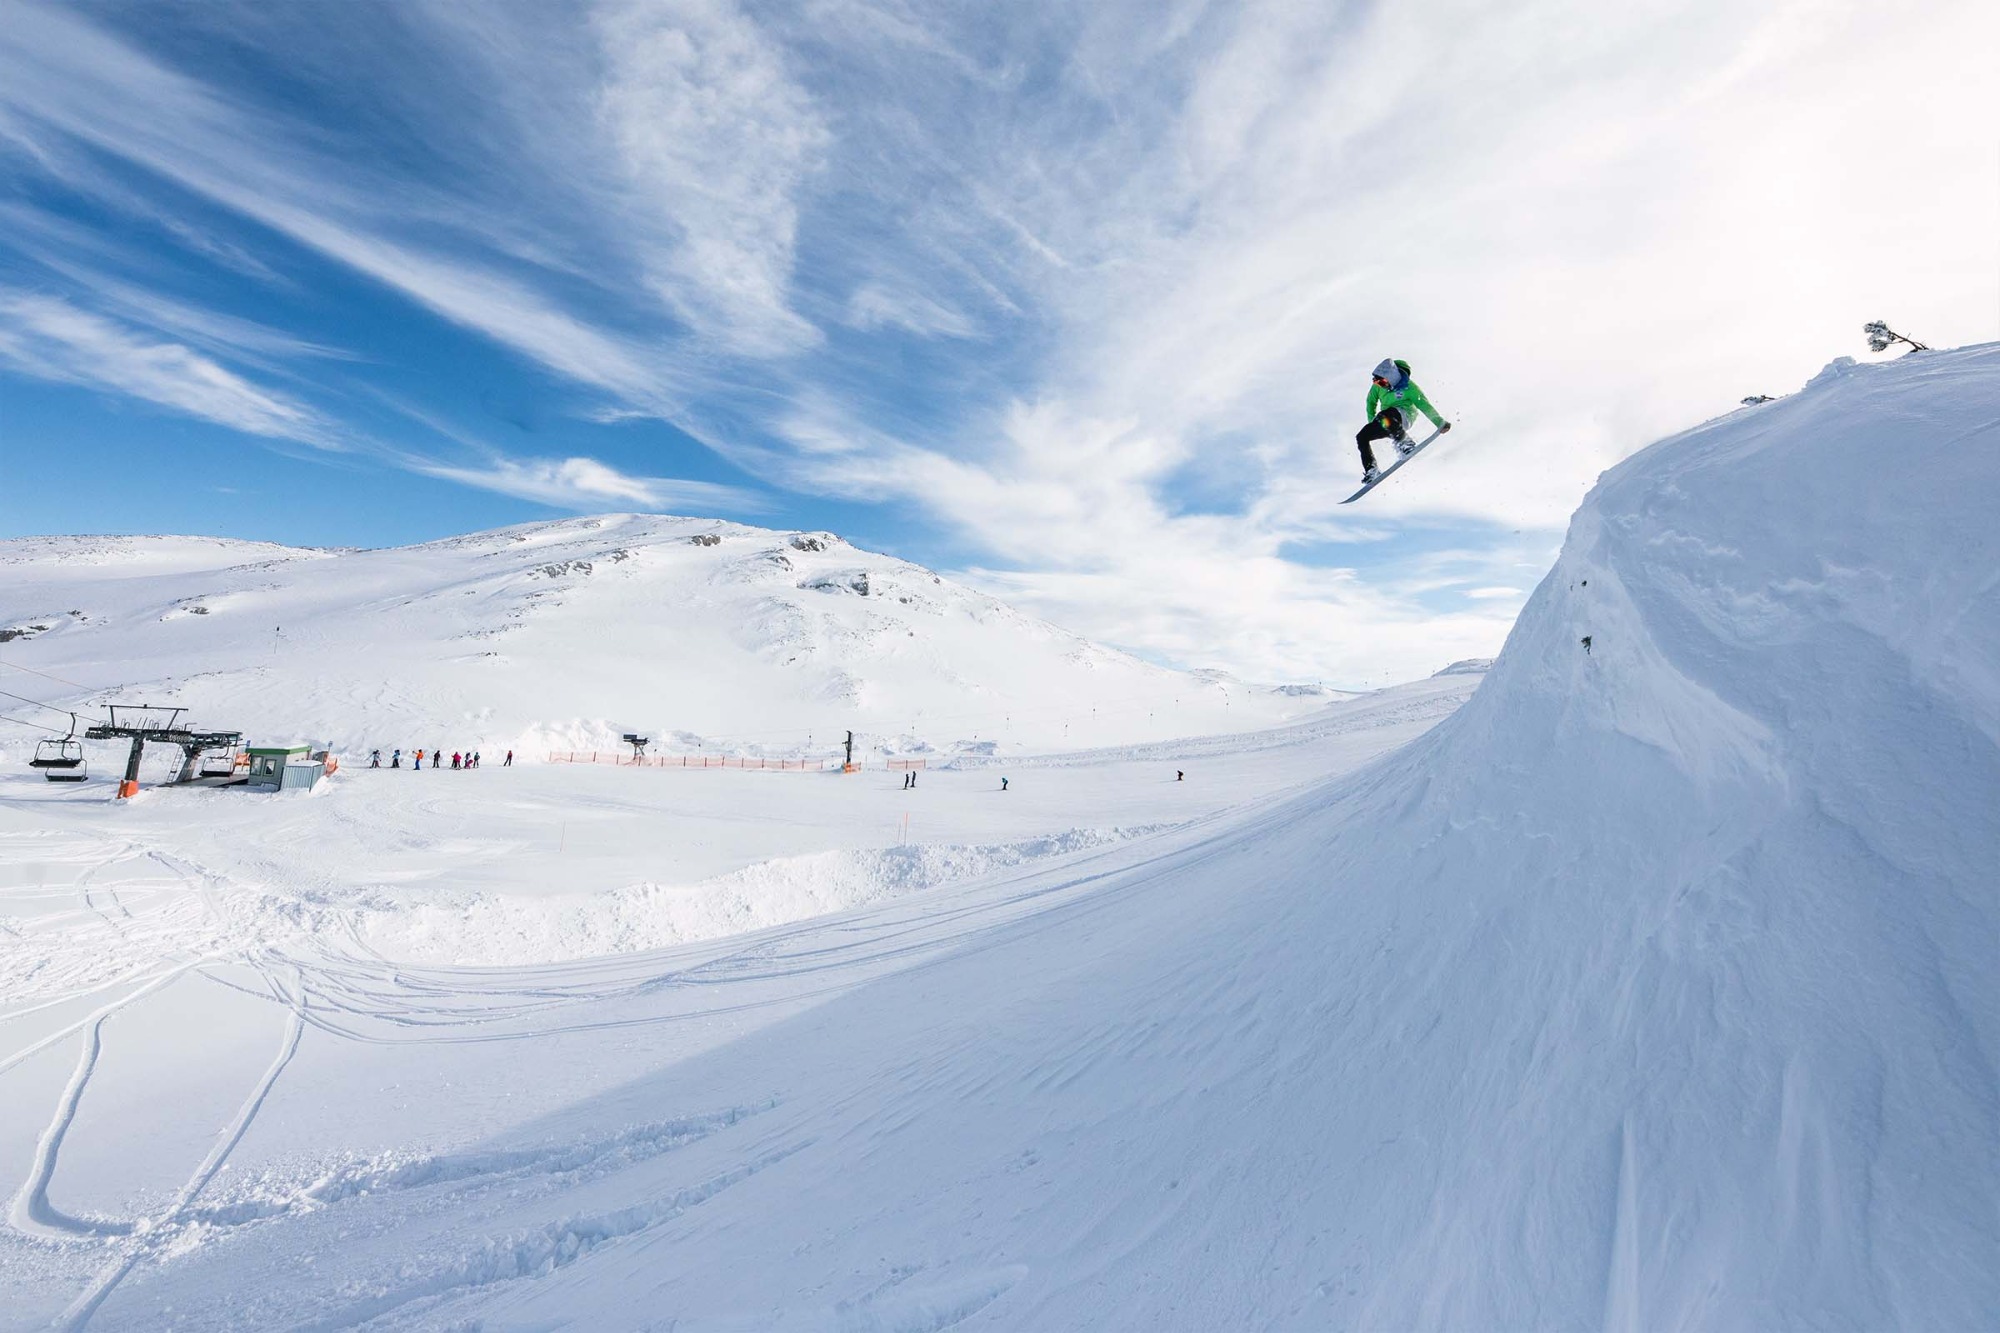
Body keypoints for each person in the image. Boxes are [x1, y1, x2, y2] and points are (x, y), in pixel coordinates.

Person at [1356, 358, 1450, 483]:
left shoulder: (1409, 387)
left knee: (1385, 414)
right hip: (1385, 421)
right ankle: (1372, 470)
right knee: (1361, 436)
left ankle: (1406, 443)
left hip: (1405, 417)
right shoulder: (1378, 387)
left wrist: (1439, 423)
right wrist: (1372, 422)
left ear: (1392, 377)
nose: (1381, 386)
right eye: (1378, 383)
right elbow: (1370, 402)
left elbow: (1424, 405)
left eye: (1383, 382)